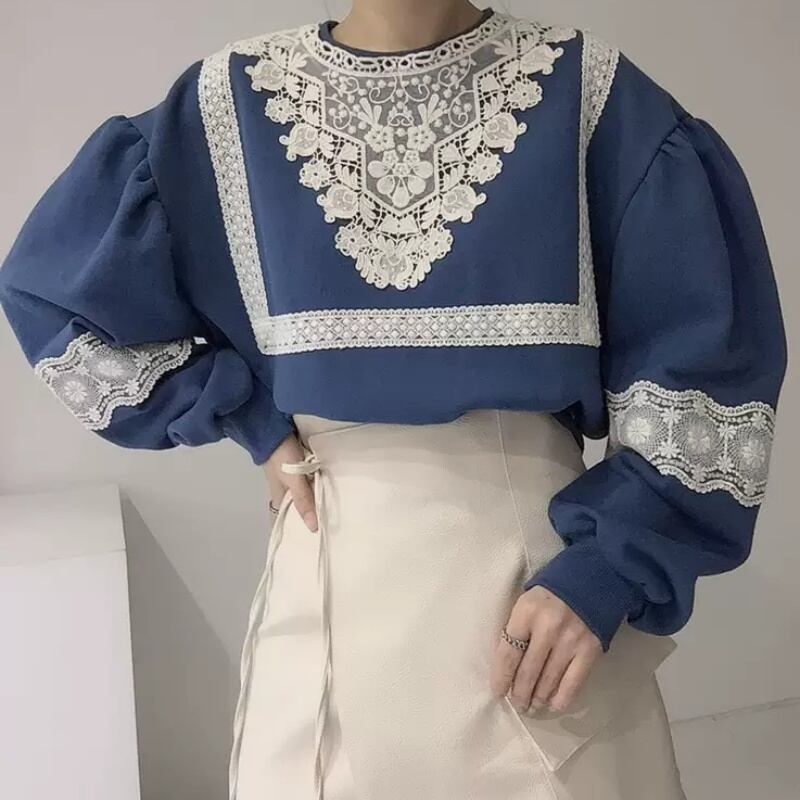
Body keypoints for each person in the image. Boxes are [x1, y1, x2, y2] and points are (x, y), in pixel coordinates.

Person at [0, 1, 787, 798]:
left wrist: (609, 570)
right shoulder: (225, 104)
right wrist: (250, 419)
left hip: (537, 606)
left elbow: (703, 370)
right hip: (326, 589)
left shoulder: (594, 95)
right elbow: (56, 296)